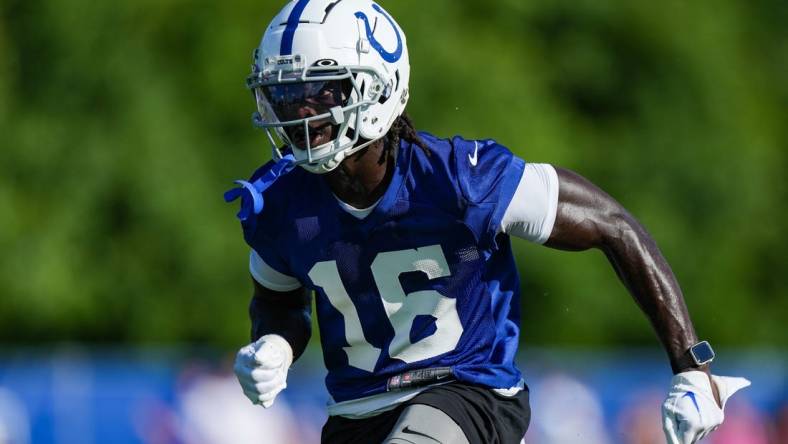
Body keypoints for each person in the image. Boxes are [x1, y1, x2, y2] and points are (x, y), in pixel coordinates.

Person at [226, 1, 749, 442]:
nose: (299, 112)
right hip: (354, 413)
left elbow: (614, 225)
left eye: (322, 90)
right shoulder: (281, 203)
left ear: (379, 87)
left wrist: (693, 368)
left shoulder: (460, 178)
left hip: (469, 393)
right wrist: (275, 344)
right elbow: (277, 301)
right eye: (286, 94)